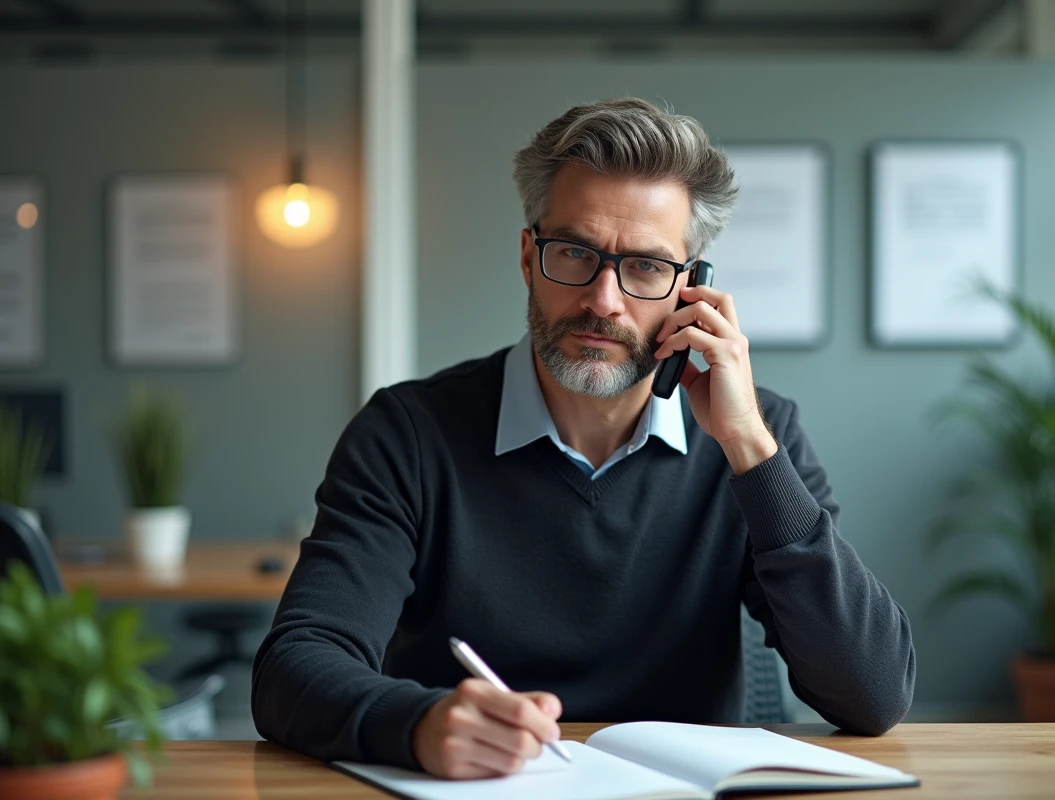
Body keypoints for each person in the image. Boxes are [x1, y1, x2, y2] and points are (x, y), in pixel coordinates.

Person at [252, 97, 915, 780]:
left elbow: (873, 695)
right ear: (527, 257)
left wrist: (750, 448)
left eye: (647, 267)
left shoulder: (758, 437)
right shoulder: (407, 435)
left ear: (693, 290)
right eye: (574, 252)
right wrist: (417, 725)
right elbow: (294, 668)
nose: (604, 300)